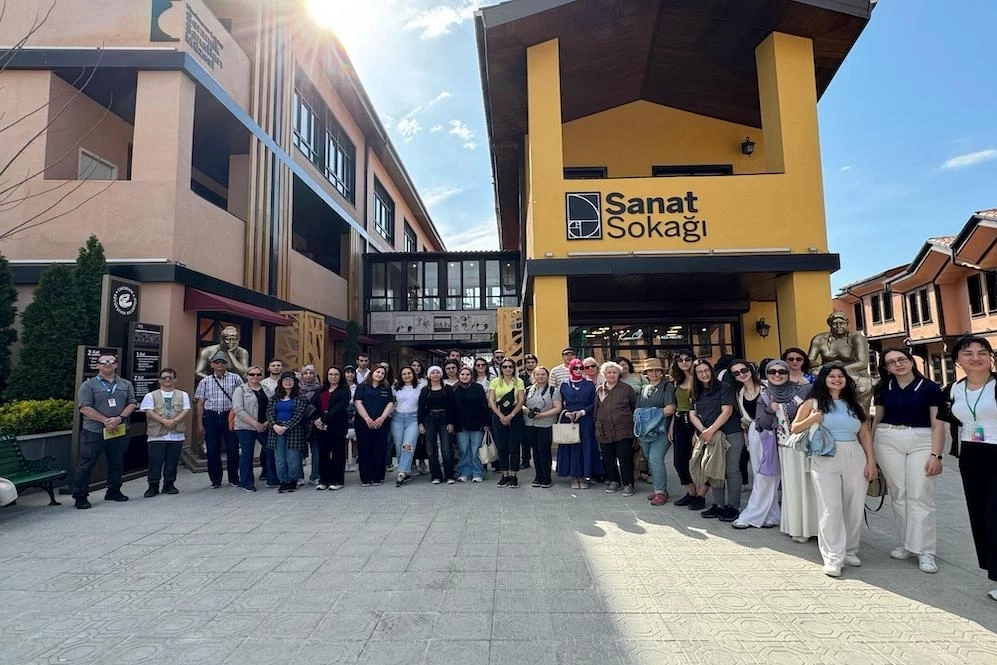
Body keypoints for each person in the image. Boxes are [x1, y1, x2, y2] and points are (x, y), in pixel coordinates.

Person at [792, 363, 876, 578]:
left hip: (854, 453)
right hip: (826, 455)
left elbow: (865, 434)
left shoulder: (854, 404)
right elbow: (795, 427)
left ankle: (850, 550)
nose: (837, 379)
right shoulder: (812, 402)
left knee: (854, 505)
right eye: (832, 376)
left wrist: (871, 462)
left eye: (841, 376)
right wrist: (812, 418)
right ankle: (832, 556)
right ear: (824, 379)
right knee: (831, 507)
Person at [873, 348, 945, 574]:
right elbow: (878, 418)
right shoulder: (883, 387)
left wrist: (936, 455)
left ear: (911, 361)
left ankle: (925, 551)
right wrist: (870, 453)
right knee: (899, 493)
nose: (898, 364)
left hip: (921, 440)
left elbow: (938, 424)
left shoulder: (930, 388)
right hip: (887, 438)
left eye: (901, 359)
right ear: (886, 368)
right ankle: (908, 544)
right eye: (891, 362)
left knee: (920, 494)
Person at [940, 335, 997, 598]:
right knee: (981, 516)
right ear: (957, 360)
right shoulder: (953, 389)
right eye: (968, 353)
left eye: (982, 352)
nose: (976, 358)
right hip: (972, 455)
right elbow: (943, 420)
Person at [73, 354, 136, 509]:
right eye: (104, 362)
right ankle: (80, 495)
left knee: (117, 462)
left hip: (118, 429)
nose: (108, 364)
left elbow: (132, 403)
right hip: (94, 430)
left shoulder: (125, 384)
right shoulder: (88, 385)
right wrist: (105, 421)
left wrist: (119, 418)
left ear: (116, 365)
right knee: (87, 463)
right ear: (97, 366)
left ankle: (114, 491)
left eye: (111, 362)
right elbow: (84, 408)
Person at [768, 359, 819, 543]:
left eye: (782, 372)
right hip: (785, 446)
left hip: (805, 444)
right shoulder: (767, 393)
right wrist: (769, 409)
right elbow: (763, 422)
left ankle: (814, 527)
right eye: (772, 372)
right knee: (793, 488)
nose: (777, 375)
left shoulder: (804, 389)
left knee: (810, 487)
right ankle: (798, 528)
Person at [688, 359, 744, 520]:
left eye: (706, 370)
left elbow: (727, 411)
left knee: (731, 470)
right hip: (710, 435)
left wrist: (710, 430)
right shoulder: (695, 392)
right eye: (699, 372)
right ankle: (719, 505)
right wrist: (703, 431)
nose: (704, 374)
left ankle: (733, 507)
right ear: (695, 375)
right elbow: (692, 414)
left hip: (730, 433)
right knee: (713, 470)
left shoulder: (723, 387)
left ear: (711, 371)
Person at [731, 360, 782, 529]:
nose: (741, 374)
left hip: (773, 431)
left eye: (743, 370)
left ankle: (752, 514)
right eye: (736, 373)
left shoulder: (767, 386)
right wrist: (746, 434)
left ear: (750, 369)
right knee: (760, 473)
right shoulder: (739, 394)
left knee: (768, 474)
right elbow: (745, 418)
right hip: (754, 432)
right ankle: (772, 515)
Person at [194, 352, 244, 488]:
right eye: (217, 362)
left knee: (233, 449)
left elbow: (242, 396)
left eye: (222, 362)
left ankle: (234, 478)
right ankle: (215, 480)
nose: (220, 365)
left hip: (229, 415)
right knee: (212, 449)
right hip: (211, 416)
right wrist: (200, 424)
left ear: (226, 364)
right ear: (212, 365)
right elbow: (200, 403)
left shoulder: (235, 378)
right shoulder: (205, 381)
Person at [808, 311, 873, 414]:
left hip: (853, 371)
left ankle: (862, 416)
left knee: (864, 386)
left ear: (847, 323)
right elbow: (810, 360)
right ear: (830, 325)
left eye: (841, 323)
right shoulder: (819, 339)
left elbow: (862, 363)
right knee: (814, 376)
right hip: (827, 373)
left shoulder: (857, 338)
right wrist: (815, 365)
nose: (839, 326)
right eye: (835, 324)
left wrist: (838, 371)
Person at [140, 367, 191, 498]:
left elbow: (186, 410)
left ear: (175, 379)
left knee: (172, 462)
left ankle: (169, 484)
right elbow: (148, 411)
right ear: (159, 380)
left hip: (176, 434)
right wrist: (164, 421)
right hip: (156, 435)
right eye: (164, 378)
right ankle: (153, 486)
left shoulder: (183, 394)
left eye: (170, 377)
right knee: (155, 462)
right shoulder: (150, 395)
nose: (167, 380)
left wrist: (174, 421)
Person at [594, 361, 638, 496]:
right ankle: (614, 480)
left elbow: (634, 407)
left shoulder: (627, 389)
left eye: (614, 372)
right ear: (604, 374)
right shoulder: (600, 389)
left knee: (625, 458)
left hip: (623, 429)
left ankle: (628, 484)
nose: (612, 375)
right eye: (609, 372)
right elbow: (596, 409)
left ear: (619, 374)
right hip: (604, 429)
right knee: (608, 458)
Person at [635, 358, 675, 506]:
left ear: (661, 372)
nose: (654, 373)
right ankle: (660, 488)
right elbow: (637, 410)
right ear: (645, 373)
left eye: (657, 370)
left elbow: (670, 409)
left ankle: (660, 492)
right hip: (645, 432)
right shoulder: (643, 389)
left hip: (661, 430)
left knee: (655, 459)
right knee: (649, 459)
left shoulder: (667, 387)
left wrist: (647, 414)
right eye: (650, 370)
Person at [557, 358, 602, 489]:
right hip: (569, 419)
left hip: (585, 419)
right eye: (575, 368)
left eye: (581, 368)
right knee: (571, 448)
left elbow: (594, 403)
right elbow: (559, 403)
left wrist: (582, 412)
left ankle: (583, 476)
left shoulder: (589, 384)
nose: (578, 370)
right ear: (571, 369)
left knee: (585, 447)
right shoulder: (564, 384)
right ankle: (573, 476)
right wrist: (566, 413)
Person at [265, 371, 311, 493]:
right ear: (281, 382)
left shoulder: (300, 398)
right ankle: (283, 481)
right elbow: (269, 413)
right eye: (285, 380)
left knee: (293, 458)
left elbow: (299, 415)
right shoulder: (274, 398)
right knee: (280, 458)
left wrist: (286, 426)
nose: (288, 382)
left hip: (294, 430)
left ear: (295, 382)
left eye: (290, 380)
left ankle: (292, 480)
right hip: (276, 430)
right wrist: (274, 425)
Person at [311, 366, 351, 490]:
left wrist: (324, 419)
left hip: (337, 425)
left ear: (340, 376)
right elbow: (312, 406)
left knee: (338, 453)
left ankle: (337, 480)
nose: (333, 377)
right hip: (320, 427)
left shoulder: (344, 390)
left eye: (336, 374)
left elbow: (339, 408)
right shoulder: (321, 390)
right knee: (323, 453)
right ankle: (324, 480)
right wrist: (315, 419)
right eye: (330, 374)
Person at [354, 366, 394, 487]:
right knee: (364, 449)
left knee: (379, 449)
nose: (380, 374)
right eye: (378, 372)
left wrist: (382, 418)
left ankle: (378, 477)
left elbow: (390, 403)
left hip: (381, 423)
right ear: (372, 373)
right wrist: (367, 418)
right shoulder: (362, 386)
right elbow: (358, 402)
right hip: (363, 423)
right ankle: (366, 478)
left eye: (382, 373)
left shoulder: (386, 388)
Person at [231, 365, 270, 492]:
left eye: (258, 374)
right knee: (247, 454)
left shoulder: (265, 389)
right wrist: (255, 423)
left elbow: (272, 406)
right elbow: (238, 409)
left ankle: (272, 478)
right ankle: (246, 482)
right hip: (245, 427)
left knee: (270, 449)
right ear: (247, 376)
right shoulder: (240, 390)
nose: (255, 377)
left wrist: (267, 422)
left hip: (264, 425)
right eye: (252, 374)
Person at [521, 365, 561, 488]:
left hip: (546, 424)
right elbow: (521, 404)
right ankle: (538, 475)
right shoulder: (528, 390)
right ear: (533, 376)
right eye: (537, 374)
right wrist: (526, 410)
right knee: (535, 451)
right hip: (530, 424)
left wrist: (542, 415)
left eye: (543, 374)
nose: (540, 376)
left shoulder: (554, 390)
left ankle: (546, 477)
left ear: (548, 376)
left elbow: (558, 408)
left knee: (544, 450)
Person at [489, 358, 526, 487]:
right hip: (498, 413)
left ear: (514, 368)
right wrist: (500, 416)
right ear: (501, 369)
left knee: (514, 446)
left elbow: (521, 400)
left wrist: (511, 415)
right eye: (505, 367)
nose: (508, 369)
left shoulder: (519, 381)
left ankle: (513, 475)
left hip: (515, 413)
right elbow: (491, 400)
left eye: (510, 366)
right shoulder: (495, 381)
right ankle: (504, 474)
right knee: (502, 446)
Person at [670, 351, 699, 507]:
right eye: (680, 360)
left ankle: (700, 496)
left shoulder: (699, 379)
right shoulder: (676, 381)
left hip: (697, 421)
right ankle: (691, 492)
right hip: (680, 421)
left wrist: (697, 431)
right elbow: (676, 407)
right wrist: (671, 427)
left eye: (687, 359)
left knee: (699, 462)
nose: (684, 362)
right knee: (679, 462)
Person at [419, 366, 456, 484]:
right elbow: (421, 408)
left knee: (446, 448)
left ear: (441, 374)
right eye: (432, 373)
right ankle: (435, 475)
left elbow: (453, 406)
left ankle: (449, 475)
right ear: (429, 376)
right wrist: (420, 423)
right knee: (431, 448)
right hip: (429, 419)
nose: (435, 374)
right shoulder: (425, 390)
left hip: (445, 418)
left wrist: (451, 422)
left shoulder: (447, 389)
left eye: (437, 372)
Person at [453, 367, 489, 482]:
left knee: (475, 449)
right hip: (460, 424)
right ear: (458, 375)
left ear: (471, 376)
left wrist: (486, 423)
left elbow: (484, 406)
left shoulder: (478, 387)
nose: (465, 377)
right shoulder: (454, 388)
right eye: (462, 374)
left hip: (477, 423)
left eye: (467, 374)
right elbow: (452, 408)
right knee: (463, 449)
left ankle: (477, 472)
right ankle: (464, 472)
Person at [390, 366, 422, 486]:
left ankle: (401, 473)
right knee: (399, 447)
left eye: (409, 373)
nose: (407, 376)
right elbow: (391, 402)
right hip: (397, 418)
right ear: (401, 376)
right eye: (404, 374)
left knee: (408, 445)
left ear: (413, 374)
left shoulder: (420, 387)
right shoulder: (395, 388)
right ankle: (405, 471)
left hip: (413, 419)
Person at [299, 365, 322, 485]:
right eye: (305, 373)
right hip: (299, 424)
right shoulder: (296, 390)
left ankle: (315, 475)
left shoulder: (320, 389)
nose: (308, 376)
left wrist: (316, 419)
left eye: (311, 373)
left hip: (315, 423)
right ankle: (298, 476)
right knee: (298, 452)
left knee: (316, 451)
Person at [343, 365, 359, 472]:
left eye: (352, 372)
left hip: (355, 413)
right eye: (347, 372)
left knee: (354, 439)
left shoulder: (358, 387)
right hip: (343, 413)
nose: (350, 375)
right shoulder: (341, 387)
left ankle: (353, 462)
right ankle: (344, 462)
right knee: (344, 440)